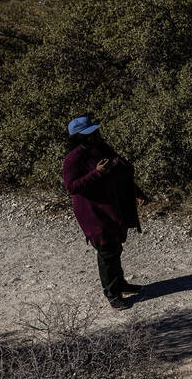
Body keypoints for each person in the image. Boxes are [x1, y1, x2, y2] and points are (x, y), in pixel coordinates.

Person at [62, 116, 149, 311]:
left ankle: (121, 284)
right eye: (90, 134)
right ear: (80, 138)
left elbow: (121, 172)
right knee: (106, 250)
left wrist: (137, 192)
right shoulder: (73, 159)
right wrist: (97, 172)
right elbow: (71, 187)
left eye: (95, 132)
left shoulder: (103, 148)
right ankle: (112, 293)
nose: (96, 135)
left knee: (115, 246)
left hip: (111, 206)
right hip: (92, 211)